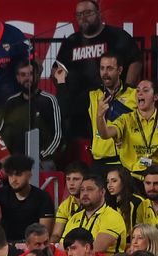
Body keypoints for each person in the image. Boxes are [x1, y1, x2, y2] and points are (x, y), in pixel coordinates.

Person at [55, 0, 141, 156]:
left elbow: (135, 60)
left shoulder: (116, 35)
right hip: (80, 105)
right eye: (79, 14)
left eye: (88, 13)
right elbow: (57, 69)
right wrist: (63, 86)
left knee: (112, 142)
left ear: (99, 13)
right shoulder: (71, 41)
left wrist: (126, 89)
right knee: (82, 148)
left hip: (110, 101)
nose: (83, 17)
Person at [0, 59, 62, 168]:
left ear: (37, 76)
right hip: (16, 162)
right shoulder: (11, 102)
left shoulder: (49, 100)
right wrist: (7, 157)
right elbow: (2, 135)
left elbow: (58, 136)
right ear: (18, 78)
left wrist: (40, 157)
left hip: (42, 161)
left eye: (31, 74)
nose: (27, 78)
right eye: (23, 75)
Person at [86, 53, 137, 174]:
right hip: (100, 163)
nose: (105, 73)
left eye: (109, 68)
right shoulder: (92, 95)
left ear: (120, 70)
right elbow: (66, 107)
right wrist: (61, 83)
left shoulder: (134, 94)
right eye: (102, 68)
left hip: (125, 161)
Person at [96, 79, 158, 179]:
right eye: (137, 91)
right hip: (130, 177)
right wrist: (100, 116)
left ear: (155, 96)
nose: (140, 93)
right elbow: (105, 134)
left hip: (155, 176)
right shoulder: (126, 119)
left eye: (145, 90)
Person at [0, 155, 55, 241]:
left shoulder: (42, 197)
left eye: (18, 174)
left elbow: (43, 234)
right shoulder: (1, 193)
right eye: (10, 175)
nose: (13, 180)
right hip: (5, 248)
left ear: (29, 175)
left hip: (32, 247)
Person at [62, 175, 127, 255]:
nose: (85, 193)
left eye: (90, 189)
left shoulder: (112, 216)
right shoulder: (75, 217)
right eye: (82, 190)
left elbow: (95, 250)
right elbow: (62, 248)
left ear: (102, 192)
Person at [106, 166, 155, 234]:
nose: (109, 185)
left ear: (124, 181)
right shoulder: (109, 203)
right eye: (107, 182)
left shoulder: (136, 201)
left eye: (114, 181)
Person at [51, 162, 89, 244]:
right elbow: (56, 234)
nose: (71, 183)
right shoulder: (65, 205)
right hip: (66, 247)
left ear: (86, 180)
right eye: (68, 179)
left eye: (76, 179)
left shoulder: (94, 203)